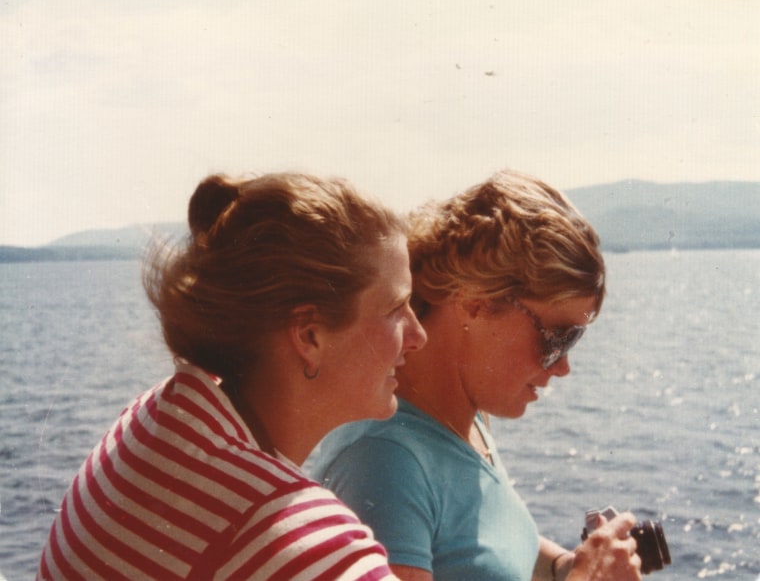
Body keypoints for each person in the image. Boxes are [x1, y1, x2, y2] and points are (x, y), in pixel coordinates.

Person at [37, 172, 427, 580]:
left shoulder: (152, 420)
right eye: (396, 309)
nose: (418, 336)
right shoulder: (308, 548)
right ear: (309, 335)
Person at [311, 169, 642, 581]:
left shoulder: (465, 422)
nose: (563, 365)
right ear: (474, 302)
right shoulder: (383, 461)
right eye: (556, 337)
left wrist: (565, 566)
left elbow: (481, 550)